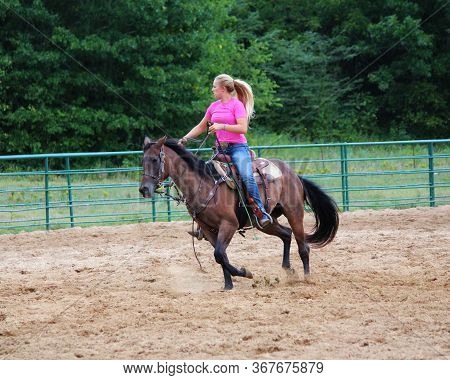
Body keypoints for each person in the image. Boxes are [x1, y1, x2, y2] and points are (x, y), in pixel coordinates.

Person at [178, 74, 273, 228]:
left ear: (223, 89)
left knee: (246, 175)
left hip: (237, 148)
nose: (213, 89)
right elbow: (201, 126)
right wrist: (185, 138)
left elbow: (243, 128)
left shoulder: (237, 105)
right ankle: (208, 219)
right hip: (220, 150)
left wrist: (221, 126)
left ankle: (260, 211)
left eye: (214, 86)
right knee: (205, 178)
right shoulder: (213, 106)